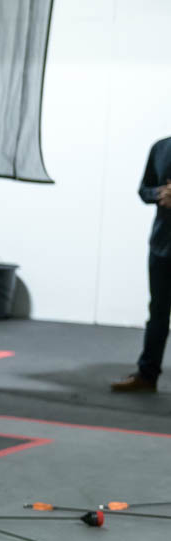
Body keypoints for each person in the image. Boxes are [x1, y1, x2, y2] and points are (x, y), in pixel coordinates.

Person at [112, 136, 171, 393]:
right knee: (157, 312)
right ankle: (147, 376)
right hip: (162, 246)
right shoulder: (161, 148)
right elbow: (144, 190)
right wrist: (161, 193)